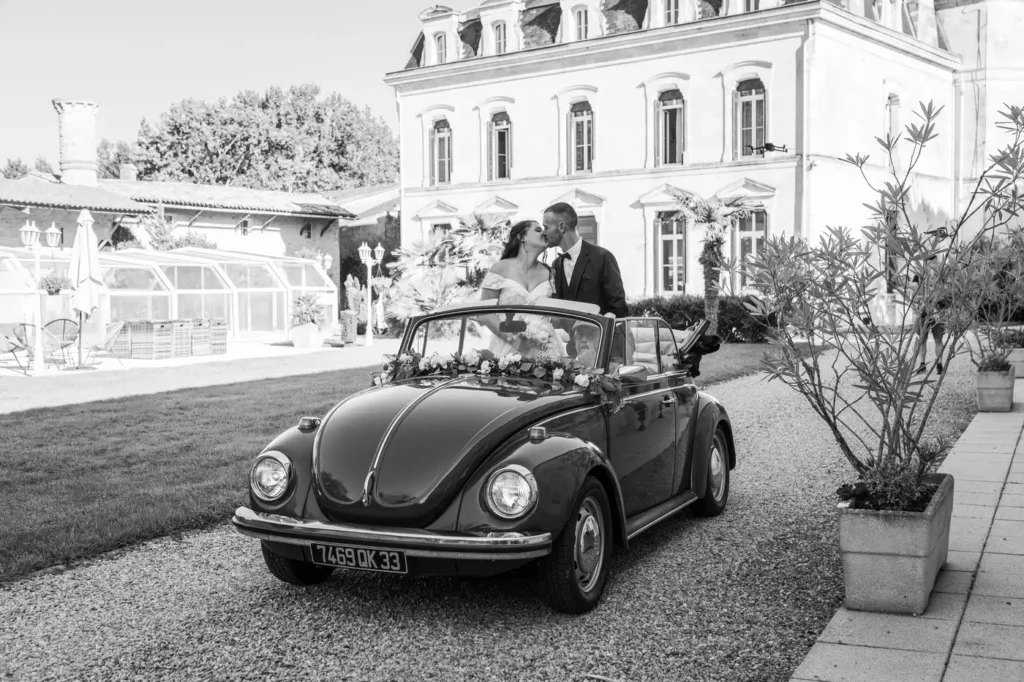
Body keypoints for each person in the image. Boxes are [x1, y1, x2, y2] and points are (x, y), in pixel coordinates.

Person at [479, 220, 567, 357]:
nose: (544, 233)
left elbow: (557, 313)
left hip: (545, 348)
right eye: (538, 230)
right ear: (522, 237)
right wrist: (513, 340)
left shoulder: (551, 273)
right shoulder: (500, 268)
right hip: (507, 347)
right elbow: (484, 313)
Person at [541, 202, 629, 318]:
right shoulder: (556, 264)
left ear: (562, 227)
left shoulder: (602, 257)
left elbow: (618, 306)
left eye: (546, 227)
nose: (544, 232)